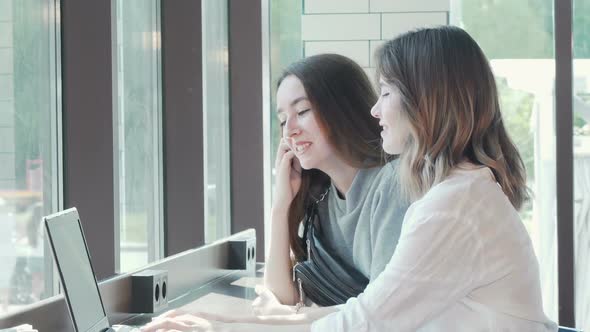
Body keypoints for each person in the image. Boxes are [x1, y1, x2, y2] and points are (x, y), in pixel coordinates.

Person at [141, 26, 557, 332]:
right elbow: (358, 314)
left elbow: (366, 320)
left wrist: (224, 327)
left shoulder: (449, 208)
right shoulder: (456, 196)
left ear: (426, 102)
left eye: (388, 93)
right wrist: (221, 322)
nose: (376, 110)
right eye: (282, 119)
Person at [265, 53, 408, 307]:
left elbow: (383, 314)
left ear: (342, 108)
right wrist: (280, 206)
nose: (290, 130)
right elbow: (283, 299)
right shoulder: (319, 201)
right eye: (283, 120)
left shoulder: (393, 184)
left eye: (302, 111)